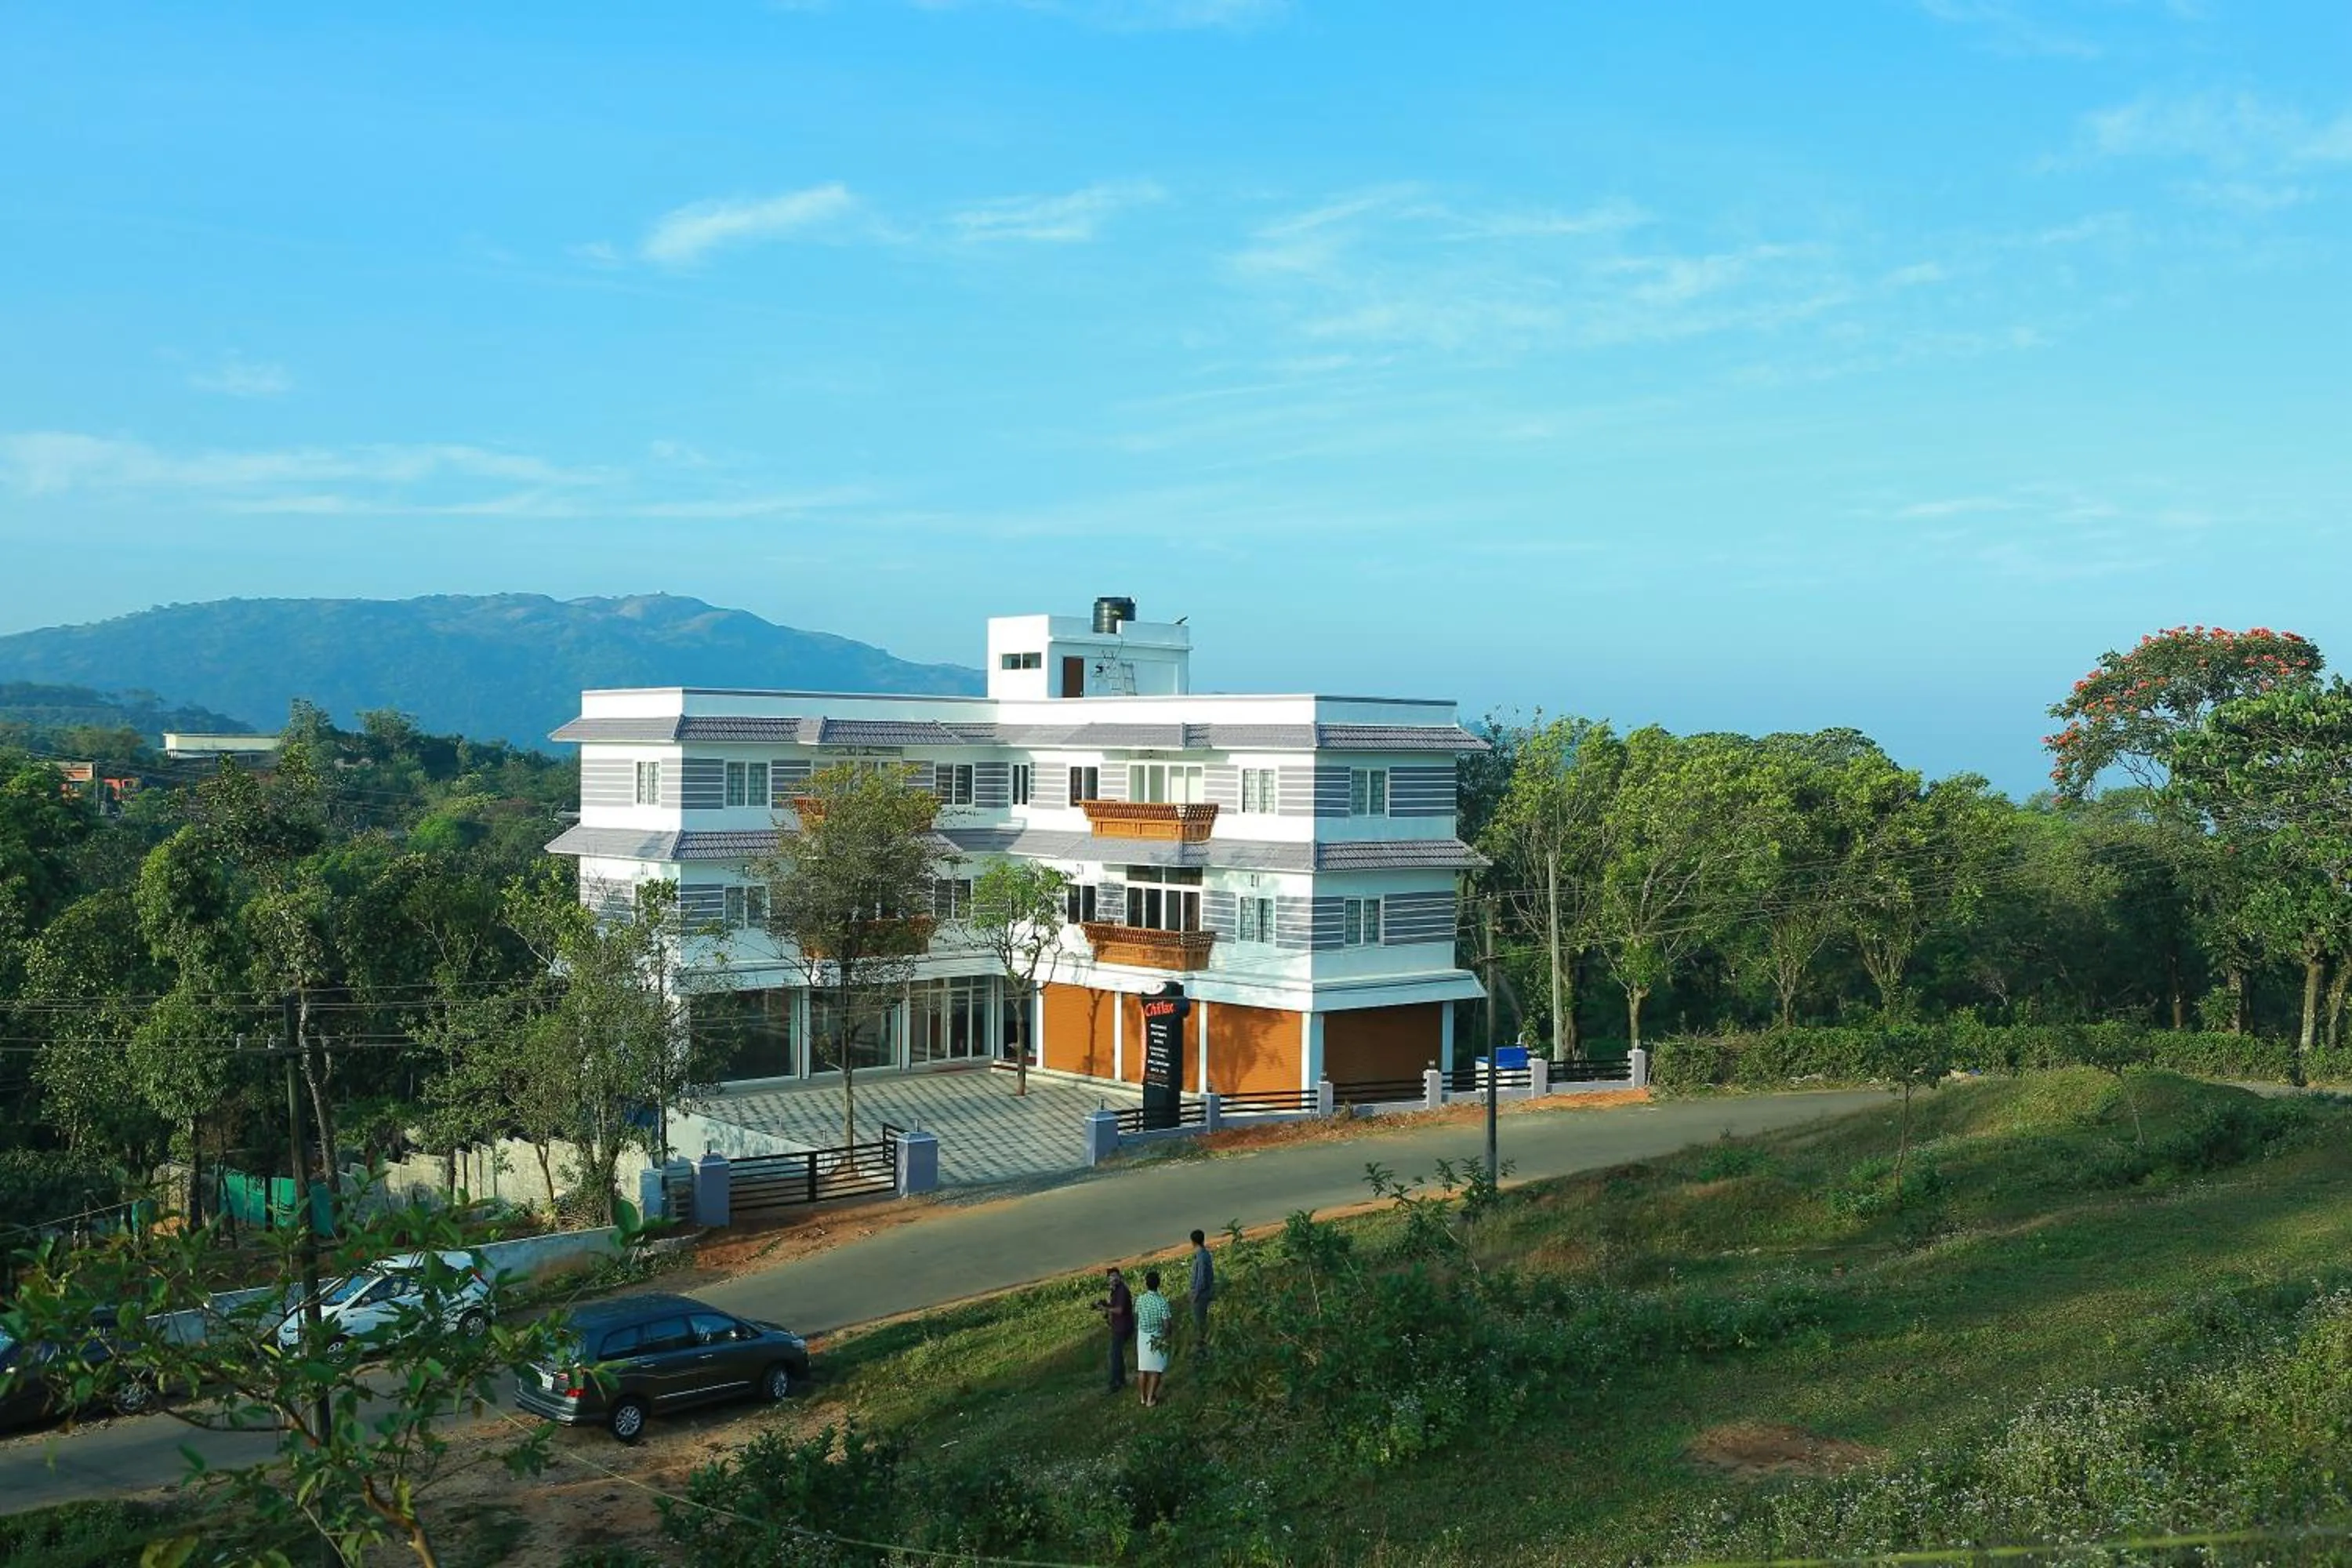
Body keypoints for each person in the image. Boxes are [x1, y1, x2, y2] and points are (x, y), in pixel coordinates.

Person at [1134, 1269, 1173, 1407]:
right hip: (1157, 1336)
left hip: (1142, 1335)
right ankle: (1151, 1398)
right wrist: (1167, 1336)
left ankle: (1142, 1397)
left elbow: (1137, 1315)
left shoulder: (1140, 1299)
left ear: (1146, 1284)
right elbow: (1167, 1324)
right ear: (1159, 1284)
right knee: (1156, 1369)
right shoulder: (1162, 1302)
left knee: (1143, 1368)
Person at [1094, 1265, 1134, 1393]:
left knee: (1114, 1355)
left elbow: (1120, 1310)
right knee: (1117, 1355)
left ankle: (1115, 1383)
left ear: (1119, 1277)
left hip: (1123, 1328)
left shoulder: (1122, 1291)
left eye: (1115, 1276)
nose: (1113, 1279)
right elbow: (1114, 1307)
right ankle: (1121, 1381)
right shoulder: (1115, 1291)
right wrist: (1104, 1305)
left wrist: (1106, 1309)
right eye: (1111, 1277)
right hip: (1119, 1327)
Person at [1188, 1229, 1215, 1354]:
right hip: (1202, 1294)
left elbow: (1201, 1279)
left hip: (1201, 1296)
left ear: (1193, 1242)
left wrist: (1195, 1295)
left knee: (1199, 1322)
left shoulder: (1201, 1257)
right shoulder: (1204, 1255)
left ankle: (1201, 1347)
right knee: (1200, 1320)